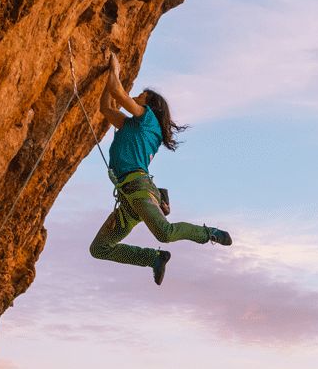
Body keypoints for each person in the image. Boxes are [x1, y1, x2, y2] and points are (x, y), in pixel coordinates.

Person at [90, 51, 232, 285]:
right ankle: (153, 258)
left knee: (164, 232)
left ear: (150, 104)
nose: (136, 96)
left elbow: (118, 93)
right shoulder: (131, 125)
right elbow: (106, 108)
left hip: (138, 187)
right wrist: (108, 76)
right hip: (128, 198)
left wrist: (114, 71)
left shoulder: (148, 120)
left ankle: (210, 233)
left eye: (141, 95)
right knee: (100, 248)